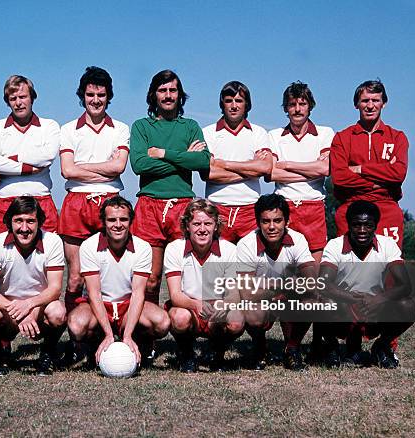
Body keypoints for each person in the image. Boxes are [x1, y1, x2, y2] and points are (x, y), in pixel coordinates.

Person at [129, 69, 211, 305]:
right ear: (153, 95)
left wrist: (165, 155)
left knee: (187, 277)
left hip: (182, 205)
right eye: (162, 90)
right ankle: (148, 337)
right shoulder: (141, 126)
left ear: (180, 94)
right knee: (151, 279)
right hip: (149, 204)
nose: (167, 95)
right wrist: (184, 159)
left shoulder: (191, 126)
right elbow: (139, 164)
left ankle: (185, 333)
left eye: (172, 90)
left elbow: (203, 161)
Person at [67, 196, 170, 367]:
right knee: (77, 326)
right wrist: (108, 333)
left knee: (162, 322)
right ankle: (97, 342)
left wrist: (128, 335)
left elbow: (138, 294)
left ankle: (136, 340)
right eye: (112, 220)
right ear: (103, 222)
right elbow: (94, 293)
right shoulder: (89, 245)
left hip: (127, 305)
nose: (118, 224)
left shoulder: (143, 247)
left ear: (130, 221)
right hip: (99, 305)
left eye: (123, 219)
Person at [59, 66, 129, 312]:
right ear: (82, 96)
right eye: (90, 95)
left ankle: (108, 330)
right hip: (76, 201)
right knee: (76, 276)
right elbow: (67, 171)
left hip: (110, 200)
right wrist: (104, 167)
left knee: (109, 272)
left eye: (101, 95)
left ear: (109, 96)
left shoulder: (120, 128)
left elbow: (119, 167)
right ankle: (76, 336)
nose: (96, 100)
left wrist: (83, 166)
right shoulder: (68, 129)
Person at [318, 200, 415, 368]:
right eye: (356, 225)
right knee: (324, 303)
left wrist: (379, 299)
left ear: (376, 225)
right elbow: (324, 284)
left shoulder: (387, 245)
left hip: (375, 308)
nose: (362, 230)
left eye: (368, 225)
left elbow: (405, 285)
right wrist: (352, 299)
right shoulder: (335, 245)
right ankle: (332, 346)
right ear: (348, 225)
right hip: (345, 308)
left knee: (407, 306)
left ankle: (382, 345)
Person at [0, 196, 66, 376]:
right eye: (18, 220)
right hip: (7, 309)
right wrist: (18, 312)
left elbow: (55, 288)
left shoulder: (53, 241)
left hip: (39, 307)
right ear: (9, 222)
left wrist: (28, 305)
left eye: (30, 221)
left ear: (39, 222)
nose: (24, 228)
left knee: (58, 312)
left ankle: (47, 354)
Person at [236, 194, 318, 370]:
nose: (271, 227)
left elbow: (312, 282)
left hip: (284, 298)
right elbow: (247, 293)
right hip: (264, 300)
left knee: (313, 301)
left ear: (287, 221)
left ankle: (292, 348)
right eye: (265, 221)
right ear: (258, 223)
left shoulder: (298, 239)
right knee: (251, 312)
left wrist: (275, 289)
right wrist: (282, 286)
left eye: (277, 220)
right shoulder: (246, 244)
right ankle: (260, 346)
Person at [164, 199, 244, 372]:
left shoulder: (229, 249)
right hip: (188, 306)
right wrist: (196, 304)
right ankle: (187, 354)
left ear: (216, 226)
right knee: (179, 318)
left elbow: (234, 293)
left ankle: (217, 353)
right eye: (196, 223)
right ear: (187, 226)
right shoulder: (174, 248)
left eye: (208, 223)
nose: (202, 229)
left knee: (236, 320)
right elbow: (175, 294)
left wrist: (224, 305)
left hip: (217, 307)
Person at [330, 80, 408, 250]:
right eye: (365, 100)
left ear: (384, 103)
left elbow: (399, 173)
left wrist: (360, 169)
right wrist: (378, 180)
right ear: (356, 104)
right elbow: (339, 178)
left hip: (386, 206)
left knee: (390, 266)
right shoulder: (342, 137)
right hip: (351, 206)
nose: (370, 106)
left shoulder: (397, 137)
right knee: (350, 267)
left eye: (375, 100)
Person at [0, 75, 60, 236]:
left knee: (48, 256)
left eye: (23, 97)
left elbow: (47, 156)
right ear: (8, 101)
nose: (18, 103)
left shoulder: (49, 126)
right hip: (6, 201)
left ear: (32, 98)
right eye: (13, 98)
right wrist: (29, 168)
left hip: (41, 199)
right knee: (3, 257)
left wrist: (9, 160)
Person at [269, 81, 334, 263]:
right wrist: (311, 171)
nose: (297, 109)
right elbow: (271, 174)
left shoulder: (325, 133)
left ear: (310, 106)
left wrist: (287, 164)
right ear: (286, 108)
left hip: (313, 206)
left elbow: (325, 169)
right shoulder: (274, 135)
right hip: (284, 206)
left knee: (312, 274)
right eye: (292, 104)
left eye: (302, 104)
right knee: (283, 270)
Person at [202, 81, 272, 243]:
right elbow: (208, 173)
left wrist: (223, 164)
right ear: (222, 104)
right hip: (216, 208)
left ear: (247, 104)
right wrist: (251, 169)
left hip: (250, 209)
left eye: (239, 101)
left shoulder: (258, 132)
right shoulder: (208, 132)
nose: (234, 106)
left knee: (249, 265)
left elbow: (265, 168)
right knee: (218, 265)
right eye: (229, 101)